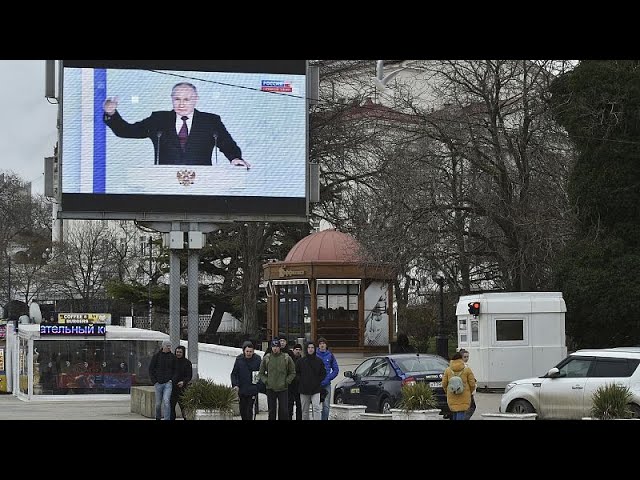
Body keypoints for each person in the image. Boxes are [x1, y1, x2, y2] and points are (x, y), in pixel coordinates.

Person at [103, 82, 251, 168]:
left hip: (202, 185)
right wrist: (111, 114)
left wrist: (235, 158)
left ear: (196, 99)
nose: (181, 104)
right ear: (172, 99)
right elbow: (127, 131)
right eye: (177, 99)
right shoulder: (158, 119)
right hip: (165, 186)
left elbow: (228, 145)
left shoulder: (211, 121)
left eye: (186, 99)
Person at [258, 338, 296, 420]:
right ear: (271, 347)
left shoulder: (286, 358)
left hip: (283, 388)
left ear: (280, 347)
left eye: (277, 346)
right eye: (273, 346)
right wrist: (266, 381)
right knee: (271, 411)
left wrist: (287, 381)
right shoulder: (267, 358)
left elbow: (293, 372)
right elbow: (261, 373)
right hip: (270, 388)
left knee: (284, 411)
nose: (275, 348)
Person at [230, 341, 262, 421]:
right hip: (242, 390)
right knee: (243, 410)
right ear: (244, 351)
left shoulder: (258, 359)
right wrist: (235, 385)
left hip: (253, 389)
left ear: (253, 351)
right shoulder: (239, 359)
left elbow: (261, 373)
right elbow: (234, 374)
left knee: (250, 410)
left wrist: (258, 386)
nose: (249, 353)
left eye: (250, 351)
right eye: (247, 351)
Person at [296, 341, 326, 420]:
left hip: (316, 389)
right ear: (306, 349)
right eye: (309, 347)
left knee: (316, 408)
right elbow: (296, 373)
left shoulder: (319, 361)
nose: (310, 349)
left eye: (312, 347)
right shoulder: (300, 361)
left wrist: (317, 381)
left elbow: (323, 373)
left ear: (315, 349)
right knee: (305, 410)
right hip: (303, 389)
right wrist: (301, 380)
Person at [442, 351, 477, 420]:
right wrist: (469, 392)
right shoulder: (467, 370)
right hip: (464, 396)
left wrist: (448, 392)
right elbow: (472, 384)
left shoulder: (448, 370)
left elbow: (444, 384)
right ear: (461, 359)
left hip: (452, 394)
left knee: (454, 412)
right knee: (461, 412)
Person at [148, 340, 176, 420]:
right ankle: (158, 417)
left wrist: (171, 380)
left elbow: (175, 370)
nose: (169, 347)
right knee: (158, 404)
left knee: (166, 401)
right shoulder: (156, 356)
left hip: (168, 383)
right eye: (167, 346)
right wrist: (154, 381)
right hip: (158, 383)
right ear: (163, 346)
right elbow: (151, 369)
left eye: (170, 346)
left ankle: (167, 418)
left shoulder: (173, 357)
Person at [316, 337, 339, 420]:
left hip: (326, 384)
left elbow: (336, 369)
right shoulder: (315, 354)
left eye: (323, 343)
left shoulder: (330, 355)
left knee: (326, 405)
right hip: (316, 384)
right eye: (320, 343)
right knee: (316, 406)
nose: (322, 345)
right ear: (318, 346)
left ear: (326, 345)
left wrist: (328, 378)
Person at [170, 345, 193, 420]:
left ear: (183, 353)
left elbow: (189, 376)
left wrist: (183, 382)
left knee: (183, 408)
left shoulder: (187, 363)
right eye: (177, 352)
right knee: (171, 407)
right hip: (172, 388)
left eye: (180, 352)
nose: (178, 353)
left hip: (182, 389)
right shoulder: (172, 361)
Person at [458, 348, 477, 420]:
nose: (466, 358)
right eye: (465, 357)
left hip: (461, 390)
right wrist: (472, 388)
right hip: (467, 390)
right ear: (461, 357)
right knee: (471, 407)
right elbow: (470, 380)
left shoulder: (455, 366)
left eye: (467, 357)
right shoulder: (465, 367)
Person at [287, 343, 303, 420]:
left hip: (299, 386)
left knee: (299, 405)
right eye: (296, 349)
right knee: (289, 404)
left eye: (299, 350)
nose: (298, 351)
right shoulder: (289, 360)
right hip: (290, 385)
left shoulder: (303, 361)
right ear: (293, 350)